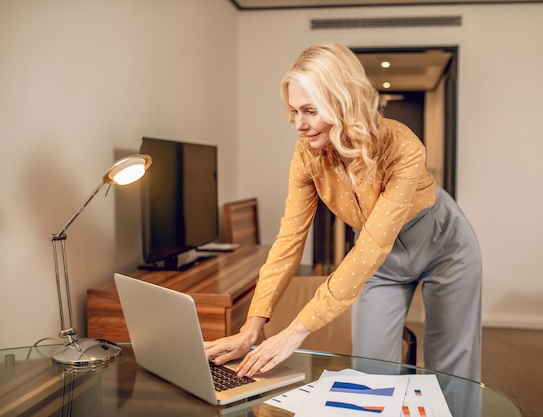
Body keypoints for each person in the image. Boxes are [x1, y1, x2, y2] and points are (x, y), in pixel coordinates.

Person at [204, 41, 482, 382]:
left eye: (310, 111)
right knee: (372, 369)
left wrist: (294, 331)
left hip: (443, 246)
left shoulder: (402, 146)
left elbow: (371, 247)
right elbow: (288, 242)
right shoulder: (306, 155)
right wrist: (252, 327)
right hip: (380, 260)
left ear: (343, 103)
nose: (299, 124)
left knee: (450, 369)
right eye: (294, 111)